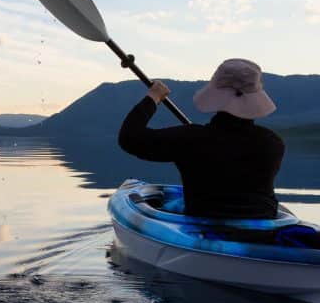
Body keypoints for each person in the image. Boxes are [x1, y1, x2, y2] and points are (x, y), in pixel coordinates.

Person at [117, 58, 284, 218]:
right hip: (264, 221)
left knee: (169, 206)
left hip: (203, 221)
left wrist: (153, 97)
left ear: (216, 95)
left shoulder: (190, 138)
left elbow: (129, 137)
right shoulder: (274, 142)